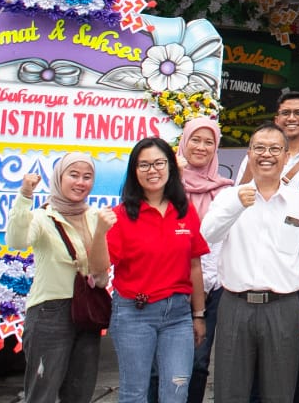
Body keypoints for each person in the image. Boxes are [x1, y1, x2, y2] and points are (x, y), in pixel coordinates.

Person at [201, 122, 299, 403]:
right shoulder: (228, 197)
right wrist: (236, 206)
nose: (266, 154)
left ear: (284, 156)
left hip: (283, 308)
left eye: (274, 149)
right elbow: (207, 236)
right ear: (249, 154)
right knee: (230, 391)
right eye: (259, 148)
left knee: (279, 393)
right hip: (235, 305)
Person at [89, 138, 209, 403]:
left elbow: (194, 265)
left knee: (177, 392)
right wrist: (100, 232)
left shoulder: (185, 211)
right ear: (134, 171)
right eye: (144, 165)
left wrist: (198, 315)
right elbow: (98, 268)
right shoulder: (120, 215)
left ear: (170, 167)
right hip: (134, 313)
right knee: (134, 394)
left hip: (178, 315)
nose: (152, 170)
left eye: (158, 163)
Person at [232, 91, 299, 403]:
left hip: (291, 283)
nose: (291, 118)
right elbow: (239, 203)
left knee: (292, 368)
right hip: (250, 278)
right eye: (285, 112)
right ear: (276, 118)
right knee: (245, 374)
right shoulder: (254, 156)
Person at [5, 153, 108, 403]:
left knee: (79, 391)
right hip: (49, 311)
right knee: (43, 391)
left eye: (87, 177)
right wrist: (24, 197)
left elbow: (101, 272)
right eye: (73, 175)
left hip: (87, 312)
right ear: (59, 178)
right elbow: (16, 242)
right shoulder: (43, 217)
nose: (80, 182)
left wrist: (103, 233)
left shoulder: (96, 217)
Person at [177, 117, 234, 403]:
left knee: (198, 363)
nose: (201, 147)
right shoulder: (164, 182)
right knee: (161, 366)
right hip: (169, 287)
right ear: (184, 142)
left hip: (211, 288)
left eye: (209, 142)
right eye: (195, 140)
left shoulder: (225, 191)